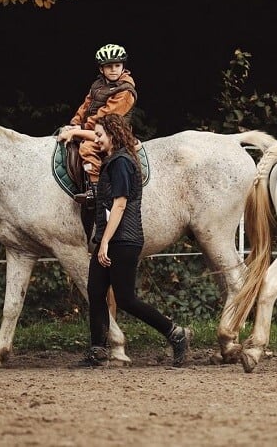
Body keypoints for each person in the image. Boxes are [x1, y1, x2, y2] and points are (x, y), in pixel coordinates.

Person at [75, 113, 191, 368]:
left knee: (126, 299)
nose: (96, 140)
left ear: (113, 135)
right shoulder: (113, 162)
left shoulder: (121, 163)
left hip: (123, 241)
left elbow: (120, 204)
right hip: (110, 239)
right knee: (95, 292)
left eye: (99, 135)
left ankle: (176, 333)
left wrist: (104, 242)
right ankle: (97, 350)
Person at [57, 43, 138, 196]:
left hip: (113, 133)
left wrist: (81, 129)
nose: (113, 69)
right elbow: (85, 106)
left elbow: (106, 116)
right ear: (101, 69)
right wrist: (74, 123)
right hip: (94, 128)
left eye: (117, 65)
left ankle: (95, 188)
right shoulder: (98, 85)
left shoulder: (126, 90)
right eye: (109, 66)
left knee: (87, 147)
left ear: (123, 66)